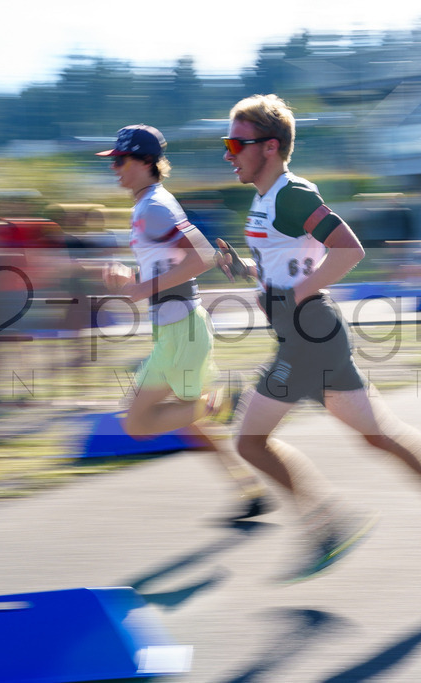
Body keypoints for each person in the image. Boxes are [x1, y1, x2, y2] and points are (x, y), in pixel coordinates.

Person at [216, 94, 421, 580]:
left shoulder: (292, 193)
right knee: (377, 434)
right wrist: (247, 270)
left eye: (236, 143)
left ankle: (328, 523)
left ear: (269, 147)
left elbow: (348, 248)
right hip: (309, 333)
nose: (228, 153)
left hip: (308, 336)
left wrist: (296, 295)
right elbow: (291, 261)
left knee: (249, 441)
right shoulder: (266, 200)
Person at [96, 124, 273, 522]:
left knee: (138, 423)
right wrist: (133, 280)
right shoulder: (148, 205)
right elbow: (177, 264)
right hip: (180, 329)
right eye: (114, 162)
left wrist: (141, 289)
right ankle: (249, 489)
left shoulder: (155, 206)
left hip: (180, 332)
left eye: (121, 160)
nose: (116, 168)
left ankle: (225, 399)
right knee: (192, 421)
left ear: (145, 162)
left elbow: (203, 257)